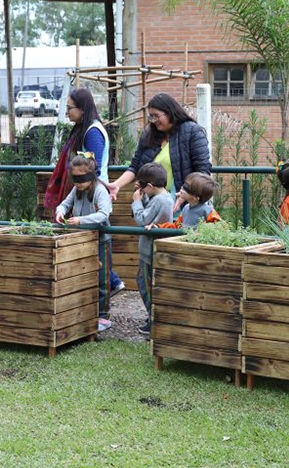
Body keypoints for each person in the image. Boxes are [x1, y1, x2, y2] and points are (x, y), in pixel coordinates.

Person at [44, 87, 124, 295]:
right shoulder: (84, 129)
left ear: (82, 108)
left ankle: (111, 284)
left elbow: (91, 166)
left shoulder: (93, 132)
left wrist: (81, 183)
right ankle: (107, 284)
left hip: (93, 193)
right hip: (83, 191)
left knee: (96, 245)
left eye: (70, 108)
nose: (67, 112)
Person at [108, 93, 211, 205]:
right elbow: (135, 167)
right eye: (151, 116)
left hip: (182, 203)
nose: (153, 120)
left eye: (156, 116)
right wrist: (117, 185)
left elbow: (202, 170)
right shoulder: (149, 134)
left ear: (170, 112)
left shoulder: (191, 131)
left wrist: (186, 194)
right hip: (150, 204)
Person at [55, 154, 115, 333]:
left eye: (81, 179)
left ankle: (103, 316)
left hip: (100, 240)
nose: (77, 183)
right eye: (74, 179)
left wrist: (81, 220)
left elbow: (104, 214)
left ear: (91, 175)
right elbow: (64, 204)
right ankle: (84, 312)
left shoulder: (100, 191)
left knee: (102, 277)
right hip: (81, 240)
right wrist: (60, 212)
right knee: (82, 275)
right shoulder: (77, 190)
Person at [130, 162, 174, 334]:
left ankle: (154, 319)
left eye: (143, 187)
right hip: (152, 250)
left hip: (149, 251)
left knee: (146, 285)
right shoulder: (164, 197)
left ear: (150, 185)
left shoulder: (159, 201)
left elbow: (142, 220)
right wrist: (143, 197)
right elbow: (152, 213)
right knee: (146, 283)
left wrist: (136, 202)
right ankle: (153, 316)